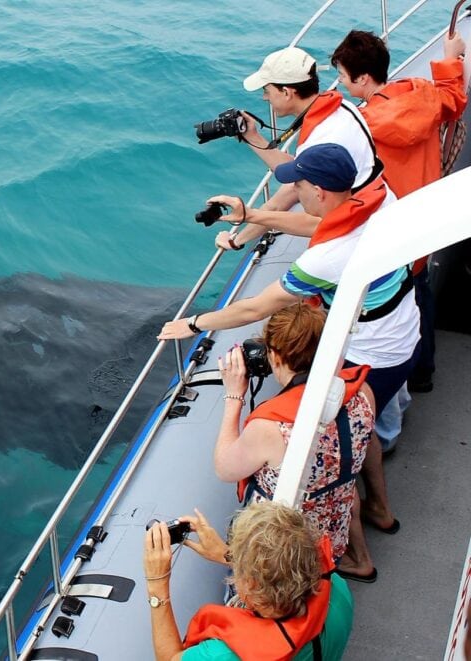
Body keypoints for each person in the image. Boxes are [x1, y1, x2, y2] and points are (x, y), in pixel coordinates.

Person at [158, 143, 416, 542]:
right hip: (403, 333)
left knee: (338, 450)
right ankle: (381, 507)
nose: (294, 187)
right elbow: (320, 226)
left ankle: (360, 546)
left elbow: (255, 309)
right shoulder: (373, 202)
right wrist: (252, 215)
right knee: (363, 429)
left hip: (372, 355)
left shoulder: (326, 259)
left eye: (300, 183)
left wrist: (194, 323)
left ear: (321, 192)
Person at [332, 29, 468, 396]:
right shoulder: (422, 94)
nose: (342, 83)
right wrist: (451, 58)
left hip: (388, 228)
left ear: (362, 79)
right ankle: (423, 372)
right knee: (420, 293)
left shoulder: (362, 126)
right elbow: (455, 99)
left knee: (394, 301)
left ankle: (387, 379)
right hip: (425, 220)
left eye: (344, 77)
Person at [213, 303, 376, 579]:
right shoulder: (362, 392)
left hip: (290, 544)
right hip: (335, 524)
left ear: (274, 357)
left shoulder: (271, 427)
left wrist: (234, 397)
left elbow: (225, 469)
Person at [212, 46, 392, 252]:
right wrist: (252, 136)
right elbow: (298, 172)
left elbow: (318, 221)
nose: (265, 98)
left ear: (287, 92)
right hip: (380, 208)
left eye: (267, 91)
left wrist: (237, 237)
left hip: (361, 234)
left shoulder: (322, 139)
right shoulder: (342, 108)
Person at [145, 502, 353, 660]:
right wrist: (227, 556)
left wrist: (157, 585)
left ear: (251, 587)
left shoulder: (223, 655)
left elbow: (170, 658)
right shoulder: (338, 590)